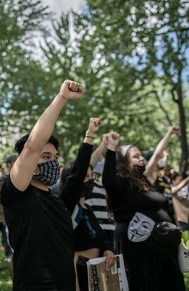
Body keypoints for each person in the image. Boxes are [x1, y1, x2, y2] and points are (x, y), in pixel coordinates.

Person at [0, 80, 84, 290]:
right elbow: (32, 146)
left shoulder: (56, 202)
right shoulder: (17, 194)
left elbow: (65, 251)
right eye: (45, 156)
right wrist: (62, 98)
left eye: (55, 157)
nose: (53, 162)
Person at [103, 132, 185, 290]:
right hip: (140, 253)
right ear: (123, 162)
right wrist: (111, 149)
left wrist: (169, 133)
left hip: (165, 248)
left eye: (141, 155)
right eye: (136, 156)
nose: (141, 158)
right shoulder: (120, 184)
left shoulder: (145, 181)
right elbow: (108, 179)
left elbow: (157, 155)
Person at [59, 118, 116, 291]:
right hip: (76, 277)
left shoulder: (87, 209)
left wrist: (107, 250)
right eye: (86, 176)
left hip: (96, 276)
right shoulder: (66, 204)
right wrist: (89, 135)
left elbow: (99, 238)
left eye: (92, 176)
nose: (90, 179)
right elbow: (78, 172)